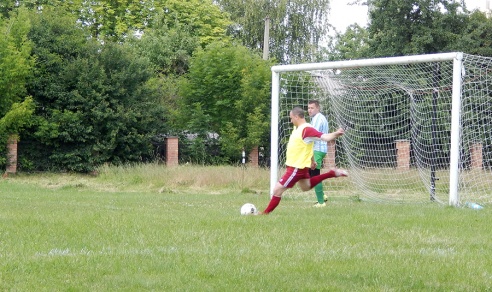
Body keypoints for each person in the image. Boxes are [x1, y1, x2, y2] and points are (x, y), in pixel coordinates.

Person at [261, 107, 347, 214]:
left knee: (277, 190)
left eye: (291, 118)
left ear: (297, 117)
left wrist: (335, 134)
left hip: (296, 168)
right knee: (306, 187)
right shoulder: (297, 129)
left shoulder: (307, 129)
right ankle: (331, 173)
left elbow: (324, 137)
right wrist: (312, 160)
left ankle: (263, 214)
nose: (291, 121)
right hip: (298, 166)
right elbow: (307, 147)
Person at [307, 100, 329, 207]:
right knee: (310, 174)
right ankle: (323, 196)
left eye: (312, 108)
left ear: (318, 108)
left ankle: (321, 203)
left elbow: (312, 134)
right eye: (308, 108)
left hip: (318, 150)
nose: (309, 110)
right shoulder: (318, 118)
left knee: (315, 175)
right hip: (319, 149)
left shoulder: (317, 119)